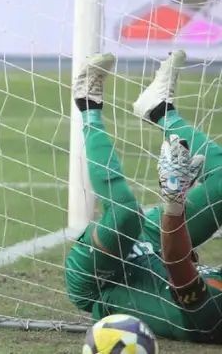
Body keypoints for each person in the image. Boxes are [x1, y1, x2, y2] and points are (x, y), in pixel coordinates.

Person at [65, 50, 222, 343]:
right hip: (155, 251)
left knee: (126, 213)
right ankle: (161, 110)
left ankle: (87, 103)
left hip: (103, 280)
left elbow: (177, 261)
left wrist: (174, 201)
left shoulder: (214, 314)